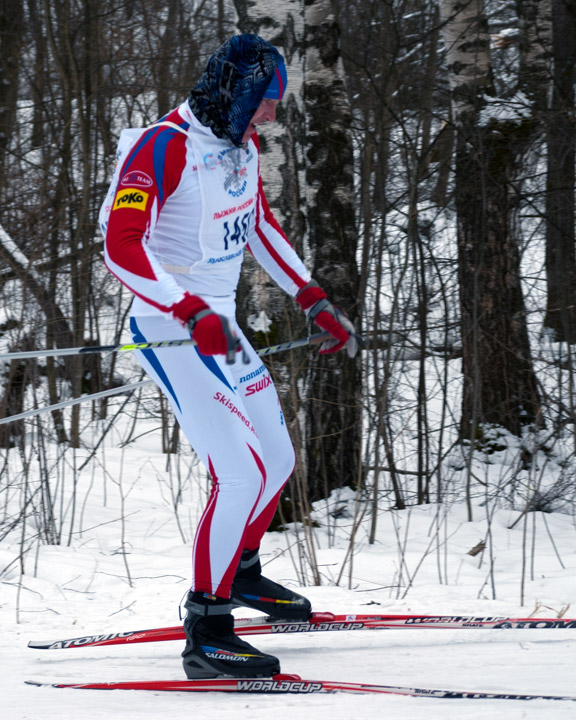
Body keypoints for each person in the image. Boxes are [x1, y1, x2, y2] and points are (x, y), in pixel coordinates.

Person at [100, 34, 359, 680]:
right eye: (265, 103)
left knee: (276, 461)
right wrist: (187, 308)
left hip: (219, 324)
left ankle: (239, 572)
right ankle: (207, 630)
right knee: (239, 472)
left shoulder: (237, 146)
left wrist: (311, 297)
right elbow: (121, 245)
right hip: (170, 324)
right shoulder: (163, 148)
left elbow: (260, 228)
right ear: (235, 94)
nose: (271, 116)